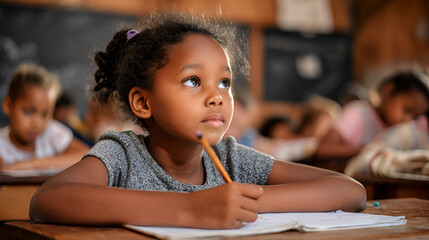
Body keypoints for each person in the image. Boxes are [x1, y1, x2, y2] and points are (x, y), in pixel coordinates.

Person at [30, 13, 366, 229]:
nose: (217, 96)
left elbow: (350, 192)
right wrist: (191, 209)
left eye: (225, 83)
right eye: (193, 81)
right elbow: (47, 200)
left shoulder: (231, 159)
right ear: (143, 102)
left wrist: (246, 202)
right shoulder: (123, 154)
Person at [315, 71, 429, 161]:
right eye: (407, 110)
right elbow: (324, 149)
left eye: (416, 116)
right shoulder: (358, 113)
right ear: (389, 91)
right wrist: (369, 151)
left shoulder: (414, 127)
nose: (409, 120)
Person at [0, 63, 89, 170]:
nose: (37, 123)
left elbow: (85, 156)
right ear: (8, 105)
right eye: (28, 112)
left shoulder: (51, 132)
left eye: (45, 114)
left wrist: (30, 164)